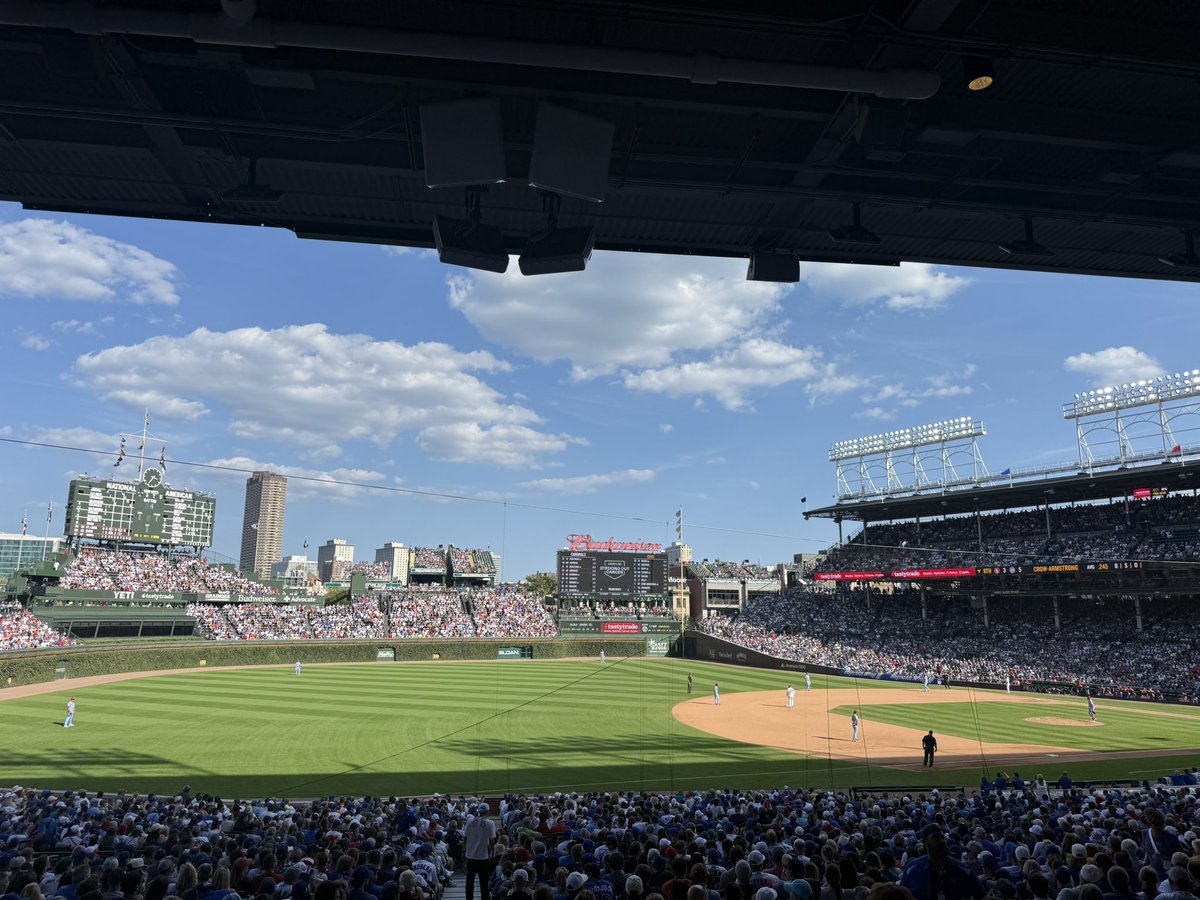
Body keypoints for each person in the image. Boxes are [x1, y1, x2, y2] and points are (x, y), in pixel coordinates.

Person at [900, 824, 985, 900]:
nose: (941, 841)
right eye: (935, 837)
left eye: (942, 837)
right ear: (925, 843)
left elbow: (981, 896)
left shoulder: (963, 870)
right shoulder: (912, 869)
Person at [463, 804, 496, 900]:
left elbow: (465, 838)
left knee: (469, 882)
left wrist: (464, 850)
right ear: (487, 811)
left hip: (470, 856)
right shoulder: (490, 823)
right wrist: (493, 852)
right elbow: (491, 841)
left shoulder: (470, 821)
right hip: (483, 858)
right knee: (484, 883)